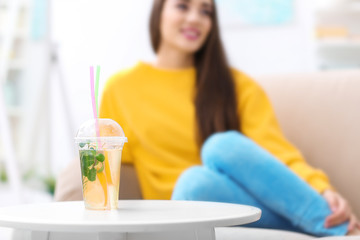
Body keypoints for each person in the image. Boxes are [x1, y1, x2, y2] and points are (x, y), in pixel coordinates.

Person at [85, 0, 360, 236]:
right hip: (177, 208)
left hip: (242, 207)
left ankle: (339, 229)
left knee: (221, 146)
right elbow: (111, 166)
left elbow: (276, 150)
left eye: (206, 11)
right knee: (195, 182)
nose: (195, 17)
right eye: (183, 5)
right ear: (159, 11)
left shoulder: (238, 86)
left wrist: (321, 188)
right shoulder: (120, 90)